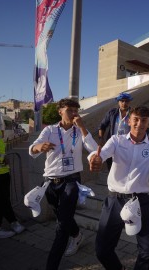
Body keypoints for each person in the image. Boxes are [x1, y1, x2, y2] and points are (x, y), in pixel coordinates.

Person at [89, 106, 149, 270]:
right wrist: (95, 159)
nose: (139, 123)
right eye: (136, 119)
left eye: (143, 120)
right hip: (114, 200)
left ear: (148, 122)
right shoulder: (116, 140)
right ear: (129, 120)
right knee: (102, 250)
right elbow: (101, 154)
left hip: (140, 201)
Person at [29, 99, 98, 270]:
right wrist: (39, 147)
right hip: (51, 182)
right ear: (60, 111)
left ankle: (52, 265)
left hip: (71, 181)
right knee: (63, 217)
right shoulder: (50, 130)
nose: (74, 113)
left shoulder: (80, 131)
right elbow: (32, 149)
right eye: (70, 110)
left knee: (61, 227)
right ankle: (76, 235)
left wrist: (82, 127)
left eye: (76, 110)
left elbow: (95, 149)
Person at [0, 107, 25, 239]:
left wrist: (5, 157)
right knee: (1, 201)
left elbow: (0, 150)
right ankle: (14, 223)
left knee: (1, 201)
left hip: (2, 172)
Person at [98, 92, 133, 170]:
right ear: (118, 102)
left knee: (126, 168)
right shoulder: (112, 113)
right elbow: (102, 126)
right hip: (112, 144)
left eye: (126, 101)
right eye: (122, 101)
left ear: (129, 102)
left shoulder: (133, 113)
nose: (124, 103)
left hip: (127, 145)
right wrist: (101, 139)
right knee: (111, 167)